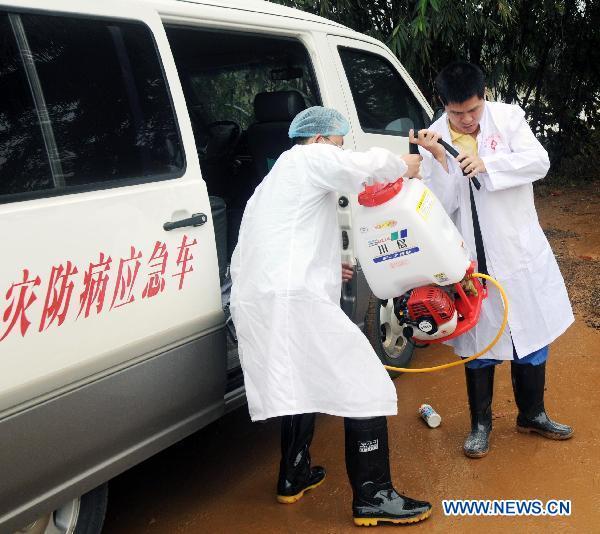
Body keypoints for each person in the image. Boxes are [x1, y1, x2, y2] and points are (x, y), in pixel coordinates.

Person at [230, 106, 433, 526]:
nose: (340, 152)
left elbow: (285, 241)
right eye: (339, 144)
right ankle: (373, 496)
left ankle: (294, 474)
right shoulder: (310, 156)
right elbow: (367, 166)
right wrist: (405, 165)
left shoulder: (275, 180)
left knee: (300, 379)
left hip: (264, 296)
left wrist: (328, 265)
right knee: (366, 382)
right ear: (322, 140)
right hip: (291, 299)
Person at [410, 61, 574, 459]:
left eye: (473, 110)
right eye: (456, 113)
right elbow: (440, 204)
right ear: (443, 105)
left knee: (530, 335)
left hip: (517, 250)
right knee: (477, 342)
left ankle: (532, 413)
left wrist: (490, 164)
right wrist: (439, 159)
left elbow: (539, 162)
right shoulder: (435, 136)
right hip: (470, 258)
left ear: (485, 97)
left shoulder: (509, 118)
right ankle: (480, 425)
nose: (466, 120)